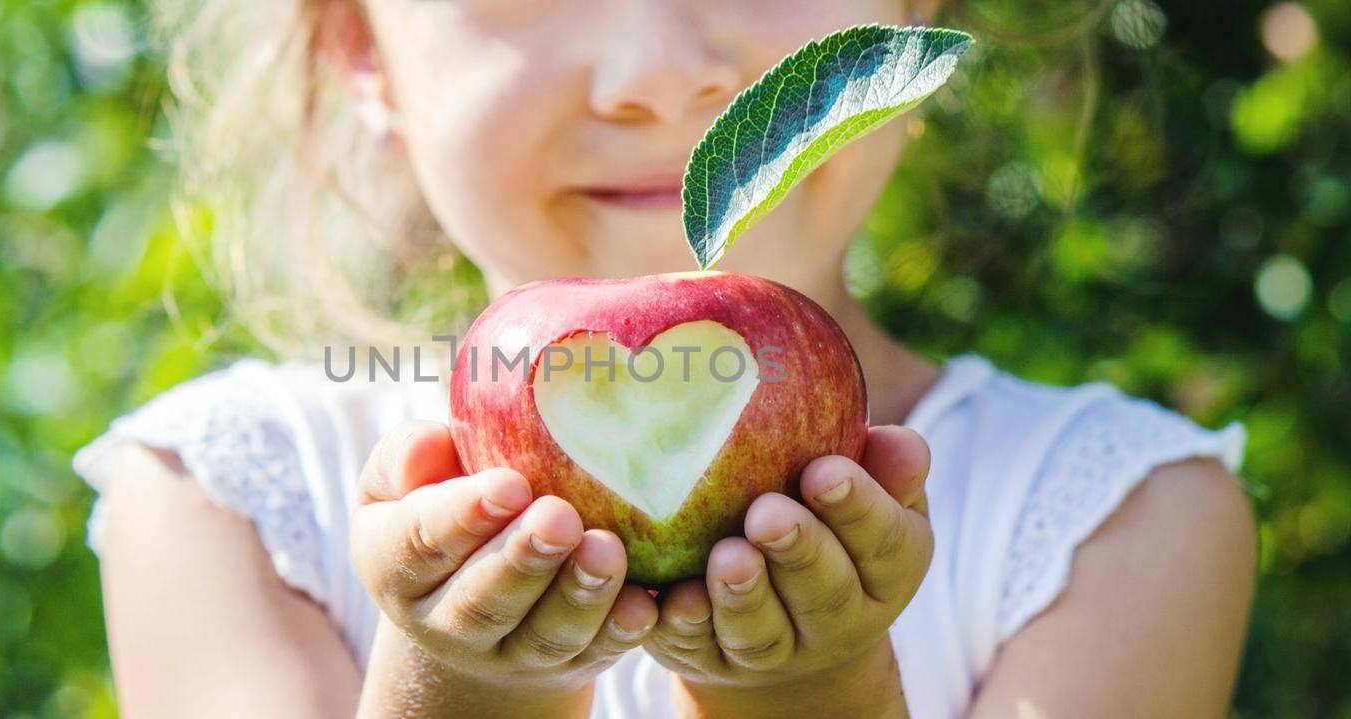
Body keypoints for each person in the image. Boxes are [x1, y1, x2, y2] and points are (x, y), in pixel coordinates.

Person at [72, 1, 1257, 716]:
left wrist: (802, 689)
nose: (654, 74)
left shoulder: (1115, 516)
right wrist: (470, 684)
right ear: (360, 48)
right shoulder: (224, 497)